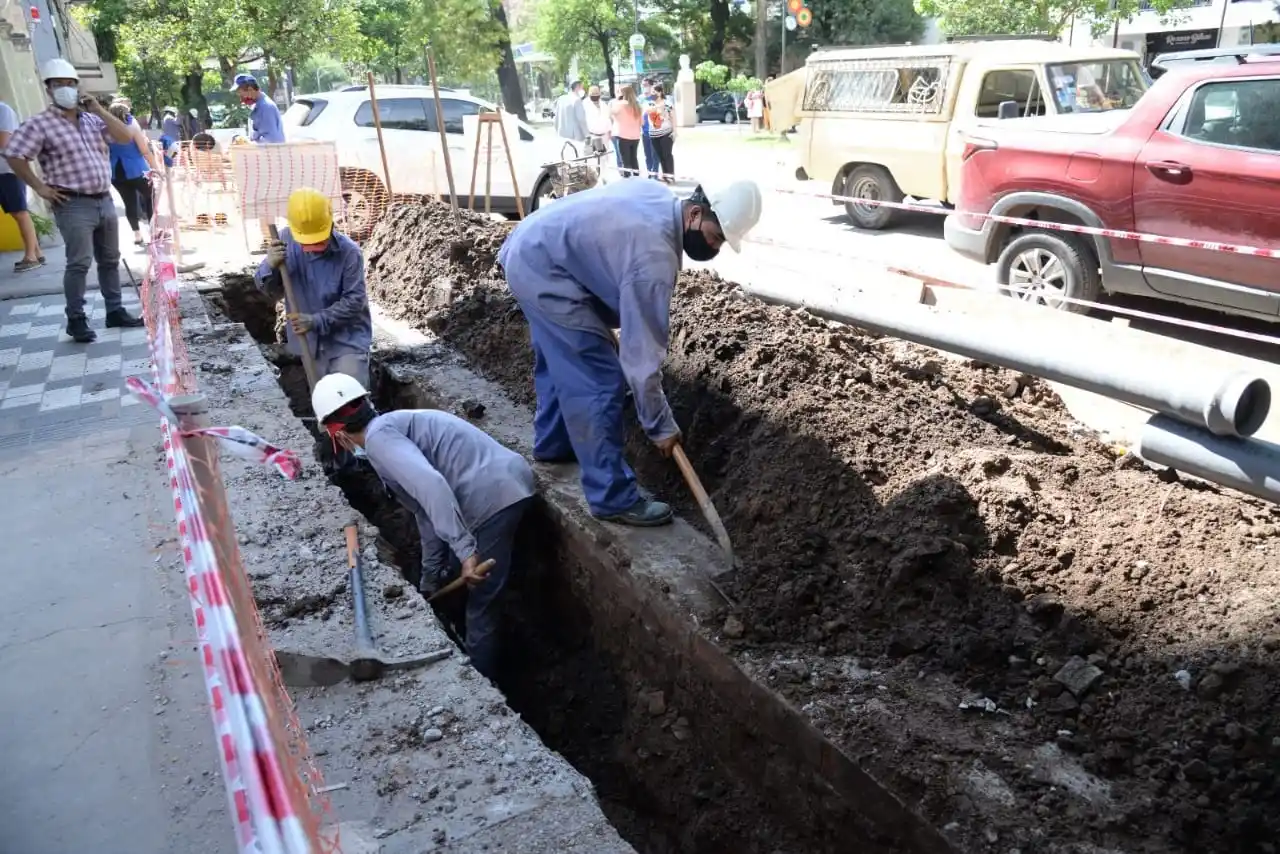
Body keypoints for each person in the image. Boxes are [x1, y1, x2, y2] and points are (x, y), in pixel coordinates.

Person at [498, 178, 763, 526]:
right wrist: (660, 425)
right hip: (544, 270)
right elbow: (640, 361)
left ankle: (554, 444)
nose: (714, 247)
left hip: (532, 248)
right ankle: (612, 497)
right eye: (715, 236)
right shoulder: (653, 260)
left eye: (722, 243)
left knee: (561, 359)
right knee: (597, 378)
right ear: (695, 213)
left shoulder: (656, 196)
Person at [311, 373, 536, 680]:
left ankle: (480, 684)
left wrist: (466, 551)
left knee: (481, 604)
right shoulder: (391, 428)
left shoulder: (379, 440)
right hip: (503, 482)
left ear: (337, 434)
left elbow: (432, 486)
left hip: (491, 498)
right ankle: (452, 619)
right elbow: (426, 514)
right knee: (460, 581)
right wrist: (429, 580)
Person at [3, 59, 144, 343]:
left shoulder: (93, 120)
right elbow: (15, 154)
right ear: (49, 89)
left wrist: (100, 109)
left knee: (109, 259)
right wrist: (39, 186)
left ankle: (114, 310)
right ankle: (76, 318)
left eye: (69, 84)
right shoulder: (39, 124)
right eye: (58, 85)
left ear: (78, 86)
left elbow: (125, 136)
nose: (65, 89)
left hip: (103, 198)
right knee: (79, 262)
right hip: (73, 202)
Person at [256, 187, 372, 385]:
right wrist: (270, 265)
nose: (314, 247)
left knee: (352, 401)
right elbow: (269, 292)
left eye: (319, 240)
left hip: (346, 342)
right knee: (325, 405)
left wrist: (316, 320)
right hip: (308, 344)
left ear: (331, 223)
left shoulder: (350, 253)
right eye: (307, 242)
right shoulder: (283, 242)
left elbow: (355, 301)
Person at [107, 100, 161, 246]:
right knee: (150, 197)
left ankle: (137, 235)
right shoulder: (131, 127)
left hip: (116, 173)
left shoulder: (105, 130)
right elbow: (144, 150)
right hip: (136, 169)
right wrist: (156, 167)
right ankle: (154, 231)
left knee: (129, 202)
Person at [0, 99, 44, 273]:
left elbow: (3, 141)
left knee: (19, 212)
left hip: (8, 169)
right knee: (16, 212)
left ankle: (31, 257)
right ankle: (37, 253)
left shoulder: (3, 110)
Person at [234, 74, 286, 144]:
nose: (241, 100)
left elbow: (271, 141)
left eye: (242, 95)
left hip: (270, 154)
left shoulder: (266, 107)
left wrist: (248, 144)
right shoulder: (257, 106)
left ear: (250, 89)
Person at [610, 85, 643, 177]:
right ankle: (637, 178)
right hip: (635, 136)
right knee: (634, 159)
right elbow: (641, 123)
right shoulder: (637, 106)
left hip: (623, 135)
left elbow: (610, 113)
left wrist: (617, 100)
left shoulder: (619, 104)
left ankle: (627, 180)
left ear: (622, 93)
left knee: (625, 161)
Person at [646, 84, 676, 184]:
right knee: (660, 155)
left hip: (666, 132)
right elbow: (648, 112)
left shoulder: (667, 103)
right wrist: (657, 107)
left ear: (660, 92)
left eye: (655, 92)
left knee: (667, 154)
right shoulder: (650, 103)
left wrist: (675, 131)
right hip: (654, 134)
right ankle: (665, 175)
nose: (653, 94)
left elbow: (673, 117)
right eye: (652, 92)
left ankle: (670, 175)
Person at [583, 85, 611, 156]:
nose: (595, 95)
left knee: (604, 158)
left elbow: (608, 118)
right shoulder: (585, 104)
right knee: (592, 159)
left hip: (604, 136)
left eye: (597, 93)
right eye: (593, 94)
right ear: (589, 94)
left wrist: (610, 131)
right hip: (592, 136)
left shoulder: (603, 104)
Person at [639, 78, 659, 179]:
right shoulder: (640, 99)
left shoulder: (656, 98)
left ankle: (654, 173)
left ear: (651, 86)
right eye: (642, 85)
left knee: (655, 154)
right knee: (647, 155)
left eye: (646, 85)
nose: (644, 87)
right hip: (645, 131)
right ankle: (649, 172)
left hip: (656, 131)